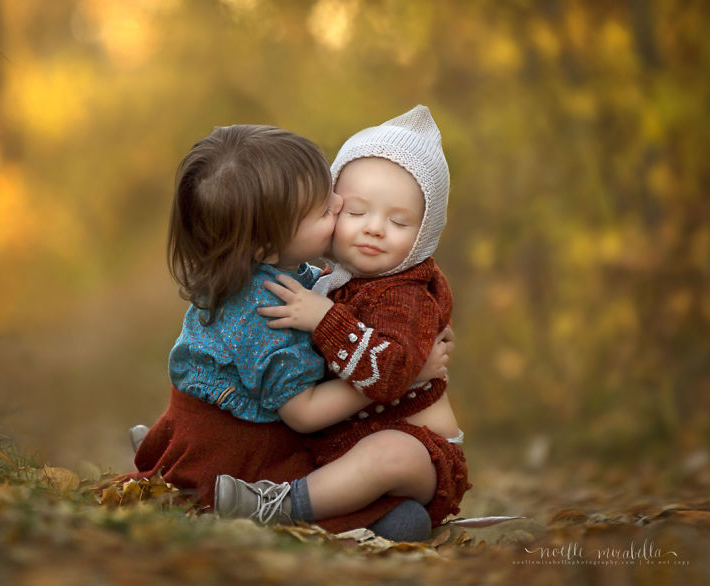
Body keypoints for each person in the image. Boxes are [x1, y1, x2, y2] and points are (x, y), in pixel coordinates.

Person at [105, 123, 452, 540]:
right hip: (246, 450)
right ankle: (201, 478)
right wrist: (404, 376)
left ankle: (171, 454)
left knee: (399, 505)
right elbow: (304, 414)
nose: (340, 203)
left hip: (238, 433)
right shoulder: (268, 307)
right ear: (267, 246)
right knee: (400, 511)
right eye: (326, 210)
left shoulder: (275, 272)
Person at [215, 105, 471, 532]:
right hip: (337, 449)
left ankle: (279, 506)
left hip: (422, 457)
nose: (373, 229)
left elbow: (389, 372)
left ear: (425, 234)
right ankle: (189, 445)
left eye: (398, 221)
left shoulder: (407, 297)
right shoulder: (335, 281)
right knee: (275, 390)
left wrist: (325, 319)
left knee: (390, 453)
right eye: (356, 213)